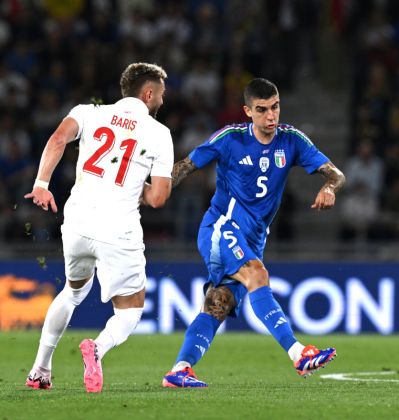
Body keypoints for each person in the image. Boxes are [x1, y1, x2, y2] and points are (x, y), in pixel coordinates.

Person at [162, 78, 345, 388]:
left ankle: (180, 369)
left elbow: (336, 173)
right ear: (248, 111)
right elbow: (186, 166)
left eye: (275, 107)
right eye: (262, 110)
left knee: (218, 304)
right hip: (221, 227)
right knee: (257, 275)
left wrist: (329, 187)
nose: (270, 116)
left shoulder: (292, 141)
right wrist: (154, 191)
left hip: (253, 239)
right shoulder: (230, 139)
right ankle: (298, 353)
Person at [24, 63, 174, 393]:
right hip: (118, 228)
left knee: (73, 291)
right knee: (131, 310)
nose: (163, 100)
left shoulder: (88, 112)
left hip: (77, 221)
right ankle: (98, 348)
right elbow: (159, 197)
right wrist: (143, 189)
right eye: (161, 94)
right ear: (148, 94)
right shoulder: (158, 134)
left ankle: (39, 370)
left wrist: (41, 183)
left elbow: (58, 138)